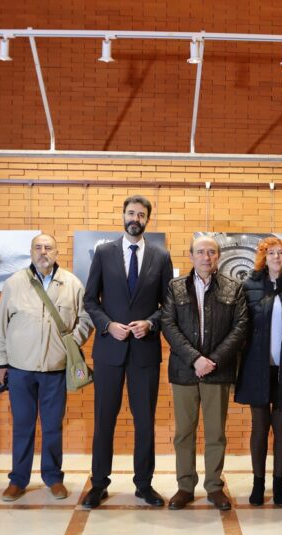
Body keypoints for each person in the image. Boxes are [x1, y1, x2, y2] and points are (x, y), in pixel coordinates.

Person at [82, 195, 173, 509]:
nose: (136, 217)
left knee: (144, 422)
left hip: (145, 352)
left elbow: (169, 307)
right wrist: (108, 326)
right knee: (103, 420)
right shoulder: (104, 253)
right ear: (123, 215)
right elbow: (90, 300)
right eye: (131, 212)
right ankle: (98, 485)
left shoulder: (161, 257)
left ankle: (144, 485)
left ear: (148, 219)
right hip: (109, 350)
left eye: (142, 214)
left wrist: (150, 323)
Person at [0, 233, 93, 502]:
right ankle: (18, 480)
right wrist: (0, 362)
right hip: (20, 370)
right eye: (38, 247)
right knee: (22, 425)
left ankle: (53, 478)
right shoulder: (15, 283)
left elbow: (86, 318)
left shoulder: (72, 283)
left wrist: (72, 342)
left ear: (57, 252)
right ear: (31, 252)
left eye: (48, 247)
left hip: (55, 370)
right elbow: (0, 326)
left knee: (52, 426)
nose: (43, 252)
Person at [161, 235, 248, 511]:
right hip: (184, 371)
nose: (206, 257)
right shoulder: (175, 287)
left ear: (218, 256)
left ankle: (213, 487)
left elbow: (241, 327)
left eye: (211, 252)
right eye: (200, 252)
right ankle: (185, 486)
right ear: (190, 256)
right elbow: (168, 325)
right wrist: (195, 358)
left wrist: (213, 360)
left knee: (215, 433)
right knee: (184, 433)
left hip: (217, 371)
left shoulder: (233, 287)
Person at [235, 238, 282, 508]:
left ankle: (278, 484)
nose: (276, 257)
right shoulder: (249, 286)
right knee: (259, 427)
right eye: (271, 252)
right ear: (263, 257)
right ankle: (258, 484)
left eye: (281, 253)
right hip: (257, 368)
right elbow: (240, 325)